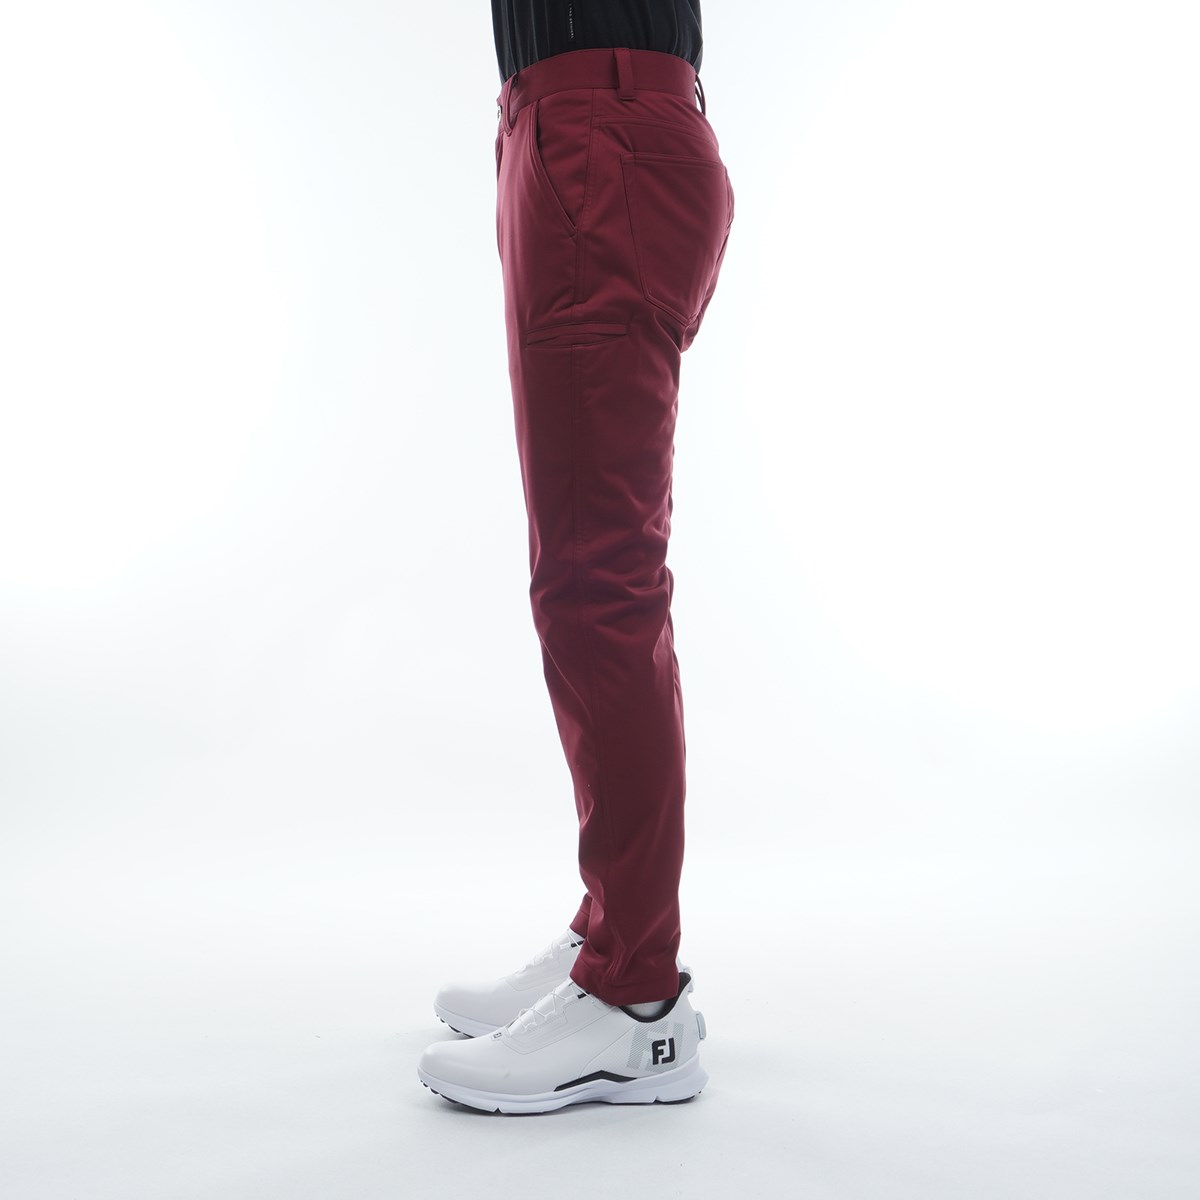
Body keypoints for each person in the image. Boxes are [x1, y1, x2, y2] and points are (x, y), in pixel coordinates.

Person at [417, 2, 735, 1113]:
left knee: (599, 584)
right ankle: (613, 927)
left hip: (599, 137)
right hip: (585, 129)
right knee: (587, 575)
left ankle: (634, 997)